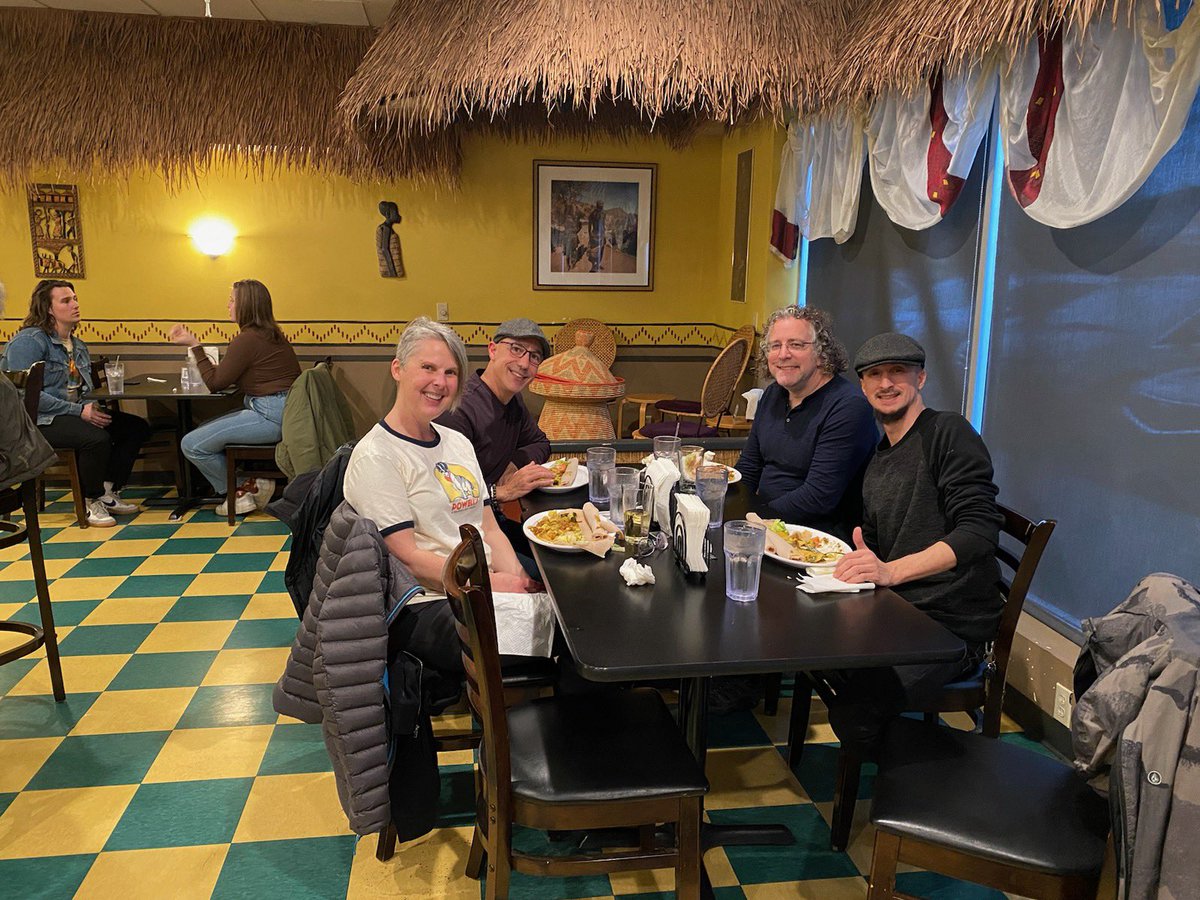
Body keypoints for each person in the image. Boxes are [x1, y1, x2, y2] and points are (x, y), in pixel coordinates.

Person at [825, 332, 1003, 755]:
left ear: (920, 378)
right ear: (864, 387)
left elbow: (979, 530)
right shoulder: (880, 456)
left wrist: (890, 571)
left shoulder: (948, 432)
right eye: (874, 375)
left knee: (854, 712)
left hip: (950, 626)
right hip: (901, 610)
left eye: (897, 372)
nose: (886, 383)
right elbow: (877, 543)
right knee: (812, 648)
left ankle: (935, 788)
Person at [342, 317, 544, 672]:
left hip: (476, 587)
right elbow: (408, 558)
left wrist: (517, 580)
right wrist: (490, 585)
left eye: (450, 373)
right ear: (398, 369)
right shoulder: (378, 455)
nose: (440, 382)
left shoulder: (455, 442)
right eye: (428, 368)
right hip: (428, 602)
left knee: (565, 616)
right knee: (566, 644)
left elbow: (489, 528)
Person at [1, 279, 150, 526]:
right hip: (35, 420)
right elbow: (26, 395)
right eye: (66, 300)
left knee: (135, 428)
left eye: (75, 298)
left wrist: (91, 406)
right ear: (48, 308)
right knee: (95, 438)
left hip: (73, 413)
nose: (75, 305)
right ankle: (90, 501)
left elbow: (81, 389)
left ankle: (106, 489)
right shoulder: (30, 341)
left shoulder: (77, 345)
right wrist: (79, 410)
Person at [735, 306, 878, 541]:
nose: (783, 354)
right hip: (769, 527)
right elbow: (749, 467)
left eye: (796, 345)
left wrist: (755, 520)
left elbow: (818, 496)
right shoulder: (773, 394)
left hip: (819, 540)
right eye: (775, 345)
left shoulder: (848, 407)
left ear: (822, 353)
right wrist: (728, 509)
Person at [169, 279, 301, 517]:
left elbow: (215, 383)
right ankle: (251, 485)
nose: (228, 305)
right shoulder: (272, 334)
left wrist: (195, 345)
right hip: (285, 411)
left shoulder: (247, 339)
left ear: (246, 306)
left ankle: (238, 493)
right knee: (202, 432)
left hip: (270, 415)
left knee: (191, 444)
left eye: (232, 301)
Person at [435, 317, 553, 572]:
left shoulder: (513, 402)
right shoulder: (460, 408)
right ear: (492, 350)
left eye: (534, 357)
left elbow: (541, 443)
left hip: (489, 521)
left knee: (554, 559)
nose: (524, 363)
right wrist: (500, 492)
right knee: (543, 575)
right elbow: (444, 495)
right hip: (457, 538)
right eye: (516, 349)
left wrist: (512, 464)